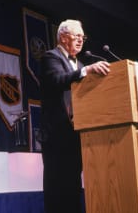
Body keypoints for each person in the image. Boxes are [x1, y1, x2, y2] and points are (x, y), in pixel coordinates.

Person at [39, 19, 110, 213]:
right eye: (76, 36)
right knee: (57, 190)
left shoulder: (78, 63)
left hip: (77, 134)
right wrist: (87, 70)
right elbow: (56, 80)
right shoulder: (50, 57)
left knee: (72, 188)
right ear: (63, 37)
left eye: (82, 37)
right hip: (56, 136)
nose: (81, 41)